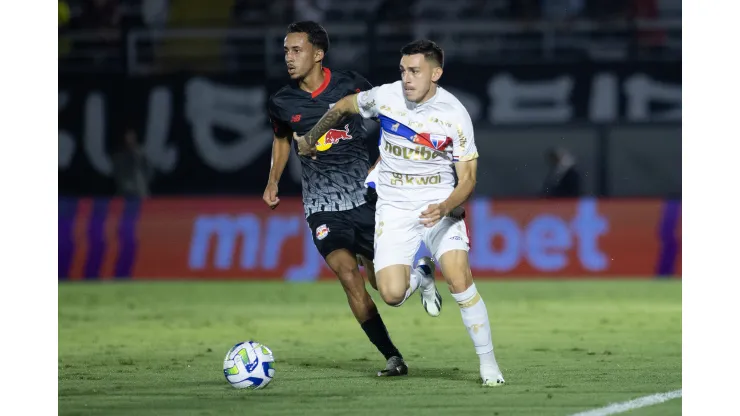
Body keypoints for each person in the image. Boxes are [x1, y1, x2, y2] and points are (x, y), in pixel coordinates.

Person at [294, 39, 506, 386]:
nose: (407, 78)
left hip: (438, 204)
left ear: (435, 73)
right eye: (403, 70)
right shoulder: (386, 97)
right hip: (393, 208)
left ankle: (489, 365)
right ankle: (421, 275)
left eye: (415, 71)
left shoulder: (455, 115)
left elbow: (468, 179)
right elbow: (345, 105)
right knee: (391, 295)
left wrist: (447, 206)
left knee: (458, 277)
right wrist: (311, 139)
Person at [263, 21, 407, 377]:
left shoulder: (351, 85)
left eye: (296, 50)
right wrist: (273, 181)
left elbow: (391, 117)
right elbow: (282, 140)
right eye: (286, 51)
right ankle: (392, 356)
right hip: (322, 207)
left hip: (365, 200)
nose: (289, 58)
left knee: (384, 285)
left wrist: (384, 160)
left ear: (318, 54)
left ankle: (418, 270)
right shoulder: (282, 101)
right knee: (348, 276)